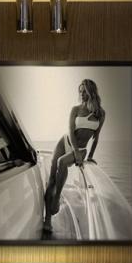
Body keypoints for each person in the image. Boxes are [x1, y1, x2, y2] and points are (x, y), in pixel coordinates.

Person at [41, 78, 105, 238]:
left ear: (91, 92)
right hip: (65, 142)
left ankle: (56, 198)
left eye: (84, 91)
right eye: (80, 91)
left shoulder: (100, 114)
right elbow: (70, 130)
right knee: (52, 179)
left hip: (82, 149)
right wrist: (74, 150)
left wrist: (90, 156)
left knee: (62, 162)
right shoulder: (75, 109)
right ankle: (47, 219)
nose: (81, 94)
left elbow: (96, 137)